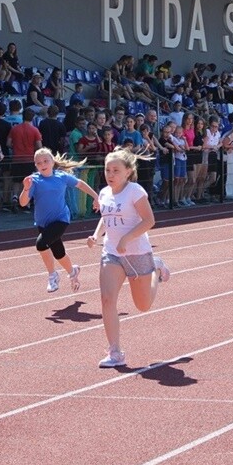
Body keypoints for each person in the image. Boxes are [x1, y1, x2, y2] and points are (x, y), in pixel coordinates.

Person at [86, 148, 170, 368]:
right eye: (107, 170)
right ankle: (115, 352)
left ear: (128, 172)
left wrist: (127, 238)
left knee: (142, 305)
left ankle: (157, 268)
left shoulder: (135, 191)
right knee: (107, 300)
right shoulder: (104, 193)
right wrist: (96, 236)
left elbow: (149, 220)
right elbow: (106, 217)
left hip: (137, 253)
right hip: (111, 253)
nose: (110, 174)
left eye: (115, 170)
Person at [19, 148, 100, 293]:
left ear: (52, 162)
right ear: (35, 165)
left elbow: (80, 184)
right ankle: (72, 271)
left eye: (45, 161)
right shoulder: (34, 180)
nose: (42, 164)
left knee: (41, 244)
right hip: (43, 222)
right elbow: (23, 203)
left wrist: (96, 197)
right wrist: (26, 189)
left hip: (61, 219)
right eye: (39, 163)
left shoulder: (62, 176)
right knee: (58, 252)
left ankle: (52, 275)